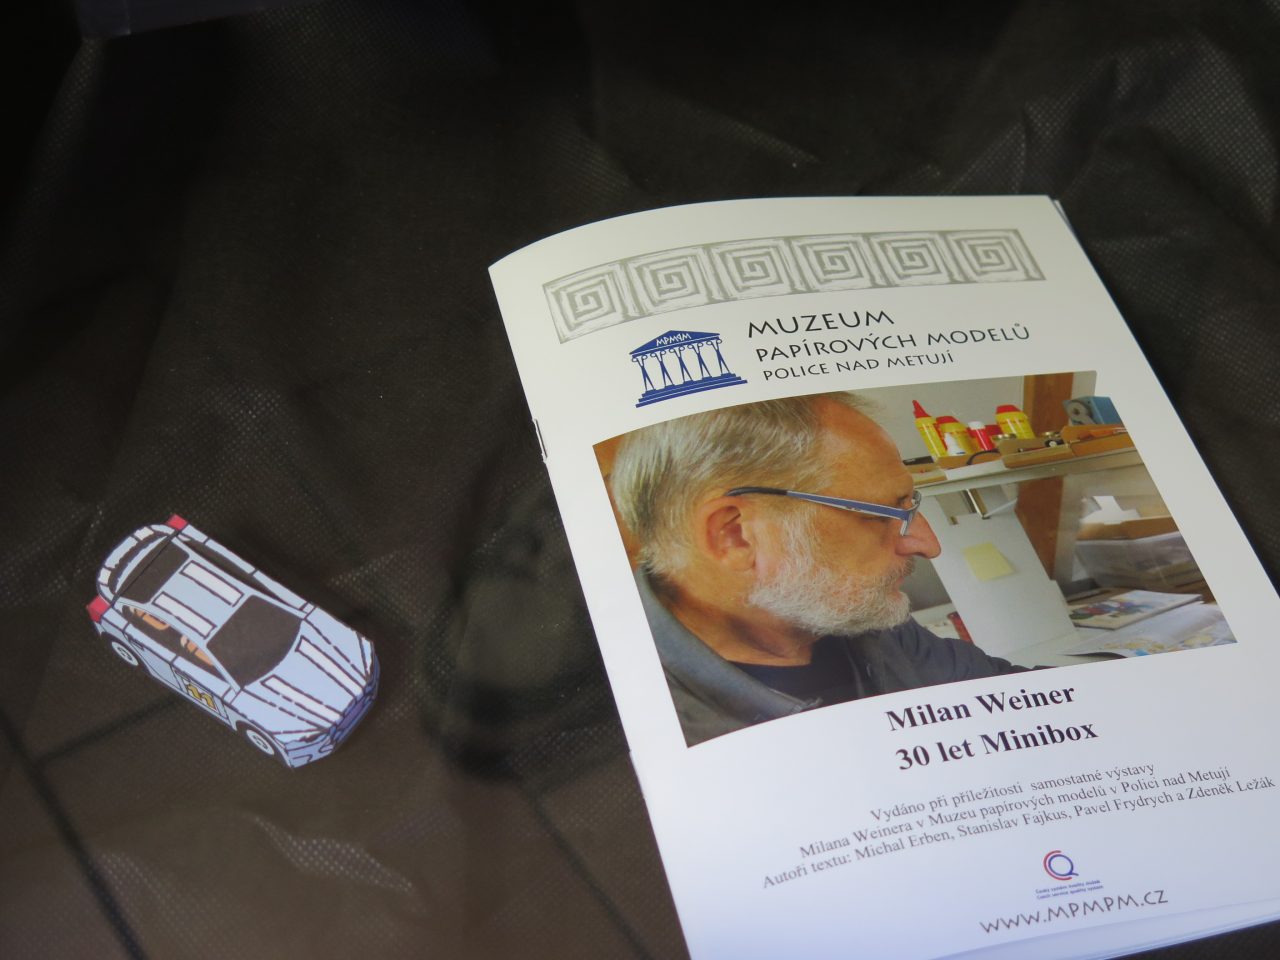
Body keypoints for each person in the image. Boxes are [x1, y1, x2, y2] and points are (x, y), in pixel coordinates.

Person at [609, 391, 1024, 746]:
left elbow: (1015, 697)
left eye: (909, 505)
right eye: (881, 514)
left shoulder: (855, 616)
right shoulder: (635, 725)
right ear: (735, 536)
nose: (928, 545)